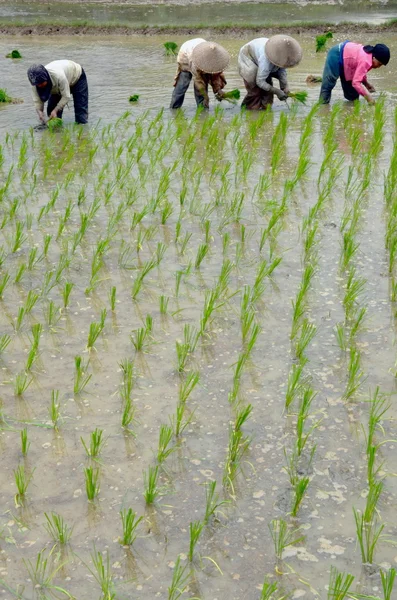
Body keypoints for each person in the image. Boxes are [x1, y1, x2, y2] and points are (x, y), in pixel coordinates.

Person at [237, 35, 303, 110]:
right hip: (248, 57)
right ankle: (248, 110)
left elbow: (282, 71)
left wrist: (284, 87)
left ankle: (265, 111)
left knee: (268, 92)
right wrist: (277, 91)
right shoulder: (265, 61)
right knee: (255, 91)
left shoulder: (283, 56)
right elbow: (260, 82)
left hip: (262, 58)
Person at [319, 42, 390, 104]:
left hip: (349, 64)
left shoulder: (371, 59)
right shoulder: (365, 60)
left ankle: (349, 111)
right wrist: (369, 98)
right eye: (379, 64)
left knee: (353, 95)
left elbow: (361, 72)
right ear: (374, 57)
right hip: (337, 54)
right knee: (328, 85)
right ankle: (322, 107)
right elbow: (356, 83)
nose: (379, 67)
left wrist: (366, 84)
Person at [170, 39, 230, 109]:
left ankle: (202, 110)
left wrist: (218, 90)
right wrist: (206, 97)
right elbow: (198, 81)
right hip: (185, 56)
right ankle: (174, 108)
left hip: (201, 48)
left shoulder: (215, 59)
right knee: (183, 84)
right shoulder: (195, 61)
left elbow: (215, 76)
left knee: (205, 81)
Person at [27, 60, 88, 124]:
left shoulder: (58, 76)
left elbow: (66, 96)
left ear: (46, 77)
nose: (39, 85)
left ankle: (83, 131)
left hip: (76, 77)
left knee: (80, 113)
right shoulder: (35, 83)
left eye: (41, 83)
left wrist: (56, 110)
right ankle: (57, 132)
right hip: (57, 86)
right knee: (51, 113)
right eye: (37, 84)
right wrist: (40, 113)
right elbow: (37, 100)